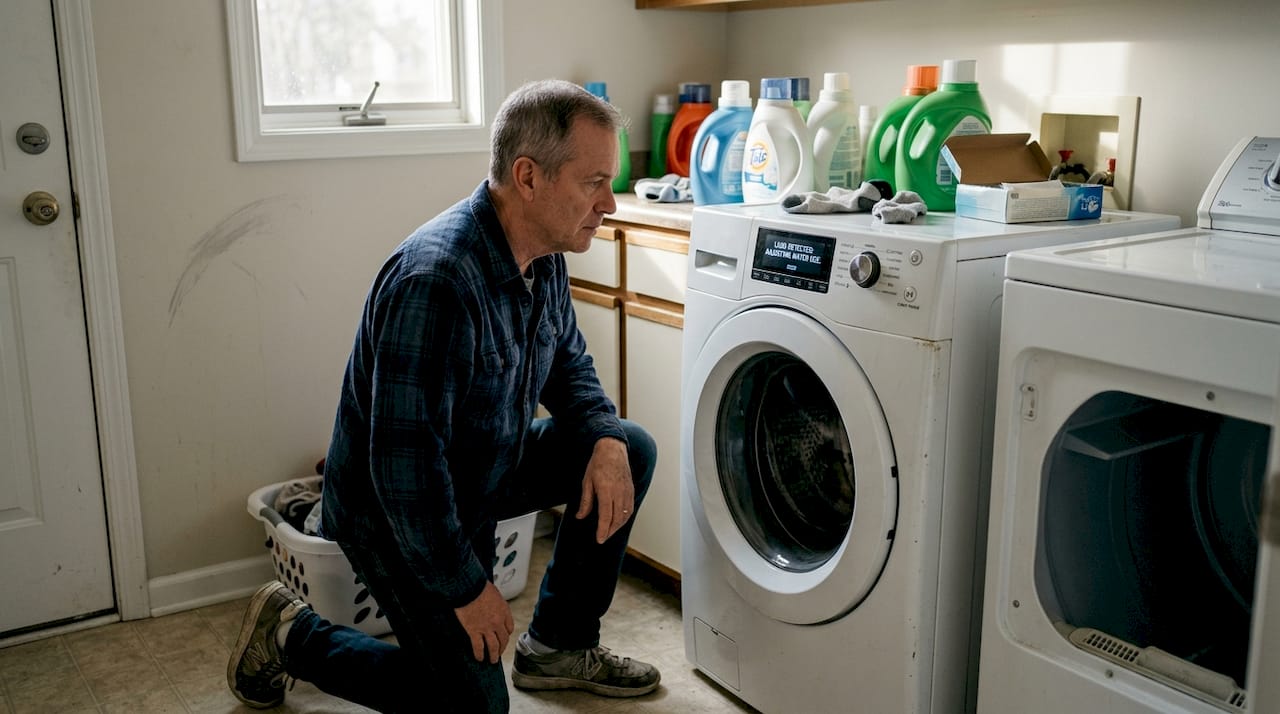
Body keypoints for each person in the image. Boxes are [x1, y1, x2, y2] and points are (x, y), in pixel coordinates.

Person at [227, 79, 659, 713]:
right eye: (594, 182)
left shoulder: (542, 252)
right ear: (529, 176)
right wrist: (467, 587)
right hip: (398, 514)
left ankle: (558, 646)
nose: (610, 204)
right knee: (474, 708)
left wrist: (602, 434)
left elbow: (567, 361)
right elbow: (405, 472)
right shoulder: (437, 280)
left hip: (480, 471)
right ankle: (292, 633)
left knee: (629, 447)